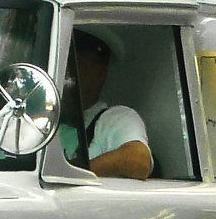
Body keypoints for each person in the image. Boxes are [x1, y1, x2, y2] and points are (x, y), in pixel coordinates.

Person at [60, 30, 153, 180]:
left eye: (79, 63)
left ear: (101, 73)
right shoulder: (34, 117)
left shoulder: (116, 118)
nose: (67, 72)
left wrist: (72, 176)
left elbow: (138, 160)